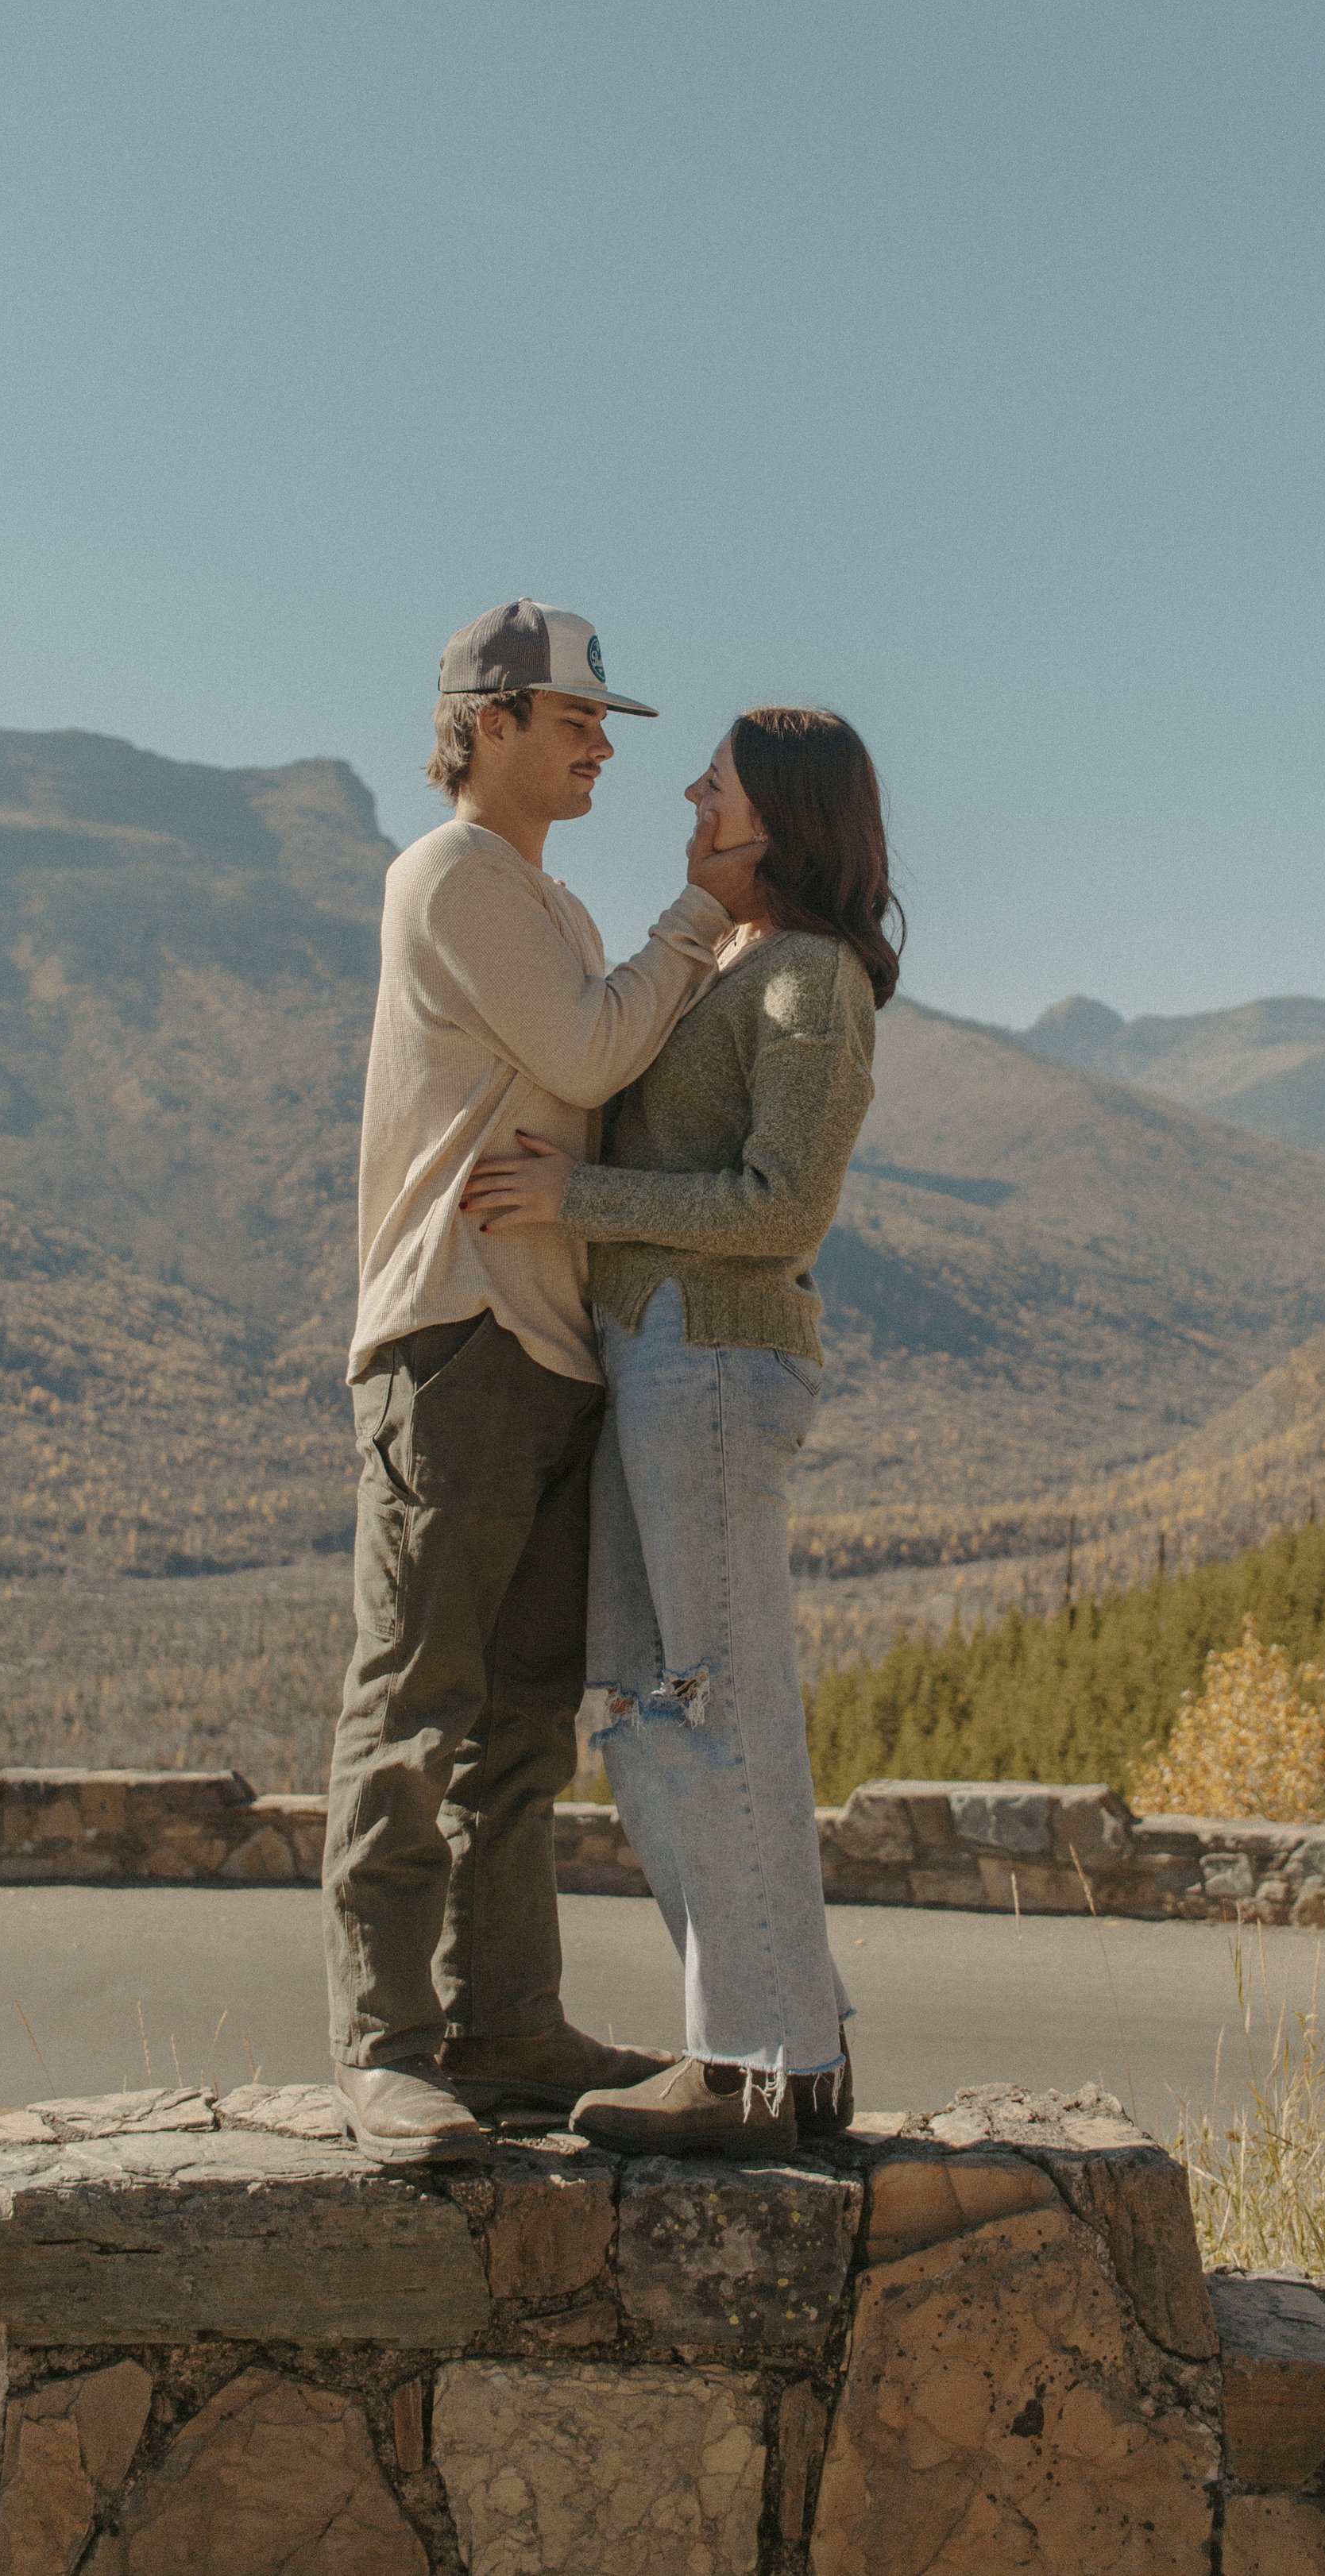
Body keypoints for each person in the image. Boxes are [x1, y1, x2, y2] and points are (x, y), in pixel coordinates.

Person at [323, 599, 767, 2165]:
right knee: (416, 1705)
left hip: (539, 1338)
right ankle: (385, 2048)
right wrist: (699, 919)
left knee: (515, 1723)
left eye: (601, 726)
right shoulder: (452, 878)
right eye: (574, 720)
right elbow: (587, 1058)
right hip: (451, 1337)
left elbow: (601, 1081)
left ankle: (501, 2022)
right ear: (490, 721)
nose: (596, 747)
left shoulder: (539, 902)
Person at [461, 705, 901, 2157]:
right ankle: (765, 2039)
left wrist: (573, 1203)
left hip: (717, 1360)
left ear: (778, 812)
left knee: (717, 1700)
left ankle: (772, 2064)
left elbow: (780, 1208)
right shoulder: (732, 964)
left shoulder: (812, 982)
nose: (691, 792)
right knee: (645, 1707)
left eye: (716, 778)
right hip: (652, 1359)